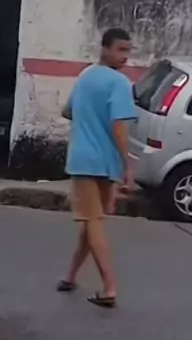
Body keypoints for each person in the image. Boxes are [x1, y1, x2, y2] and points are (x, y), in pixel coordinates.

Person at [58, 28, 136, 308]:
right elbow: (119, 128)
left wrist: (87, 117)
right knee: (94, 220)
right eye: (120, 50)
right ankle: (105, 285)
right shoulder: (120, 83)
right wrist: (128, 165)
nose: (125, 56)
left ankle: (75, 278)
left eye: (128, 51)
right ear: (104, 48)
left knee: (92, 221)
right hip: (106, 162)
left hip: (84, 159)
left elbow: (67, 111)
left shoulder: (85, 76)